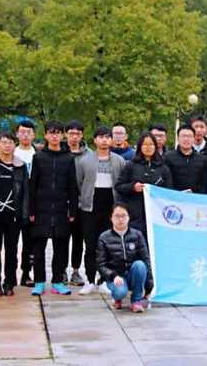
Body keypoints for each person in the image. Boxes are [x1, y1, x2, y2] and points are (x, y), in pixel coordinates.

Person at [29, 120, 79, 296]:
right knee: (38, 248)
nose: (54, 136)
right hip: (41, 209)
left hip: (61, 209)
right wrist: (31, 210)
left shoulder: (69, 158)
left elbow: (72, 186)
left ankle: (58, 281)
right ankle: (39, 282)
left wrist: (73, 210)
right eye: (51, 133)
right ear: (45, 135)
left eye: (57, 133)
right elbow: (32, 185)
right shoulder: (38, 157)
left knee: (61, 248)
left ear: (62, 135)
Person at [76, 125, 126, 295]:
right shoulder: (84, 161)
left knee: (108, 246)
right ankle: (90, 280)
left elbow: (121, 182)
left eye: (107, 137)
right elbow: (79, 183)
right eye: (101, 137)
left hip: (111, 208)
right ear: (95, 140)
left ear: (111, 140)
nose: (104, 140)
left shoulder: (119, 160)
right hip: (90, 207)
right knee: (90, 245)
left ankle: (105, 280)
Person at [0, 132, 28, 296]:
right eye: (3, 142)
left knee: (12, 251)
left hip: (13, 216)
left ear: (14, 145)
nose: (7, 146)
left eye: (10, 142)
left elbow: (25, 192)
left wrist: (24, 214)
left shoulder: (20, 166)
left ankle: (9, 282)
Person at [96, 203, 153, 313]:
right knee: (120, 292)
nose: (120, 219)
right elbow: (101, 265)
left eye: (123, 216)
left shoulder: (137, 235)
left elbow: (146, 260)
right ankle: (117, 298)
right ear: (111, 218)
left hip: (132, 274)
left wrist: (149, 286)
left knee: (140, 265)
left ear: (129, 217)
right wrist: (113, 276)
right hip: (116, 277)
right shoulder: (104, 237)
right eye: (117, 216)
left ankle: (136, 300)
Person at [115, 132, 172, 236]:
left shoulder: (163, 168)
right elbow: (119, 186)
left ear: (155, 146)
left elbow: (169, 192)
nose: (148, 147)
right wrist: (133, 187)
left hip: (156, 215)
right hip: (135, 215)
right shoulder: (131, 165)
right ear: (140, 146)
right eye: (145, 144)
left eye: (151, 144)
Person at [64, 120, 87, 286]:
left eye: (77, 134)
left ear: (82, 135)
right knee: (62, 239)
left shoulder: (89, 155)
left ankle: (76, 270)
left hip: (81, 204)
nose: (74, 137)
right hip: (62, 204)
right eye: (71, 133)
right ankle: (61, 270)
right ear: (66, 134)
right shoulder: (59, 152)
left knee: (78, 240)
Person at [14, 119, 37, 287]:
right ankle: (9, 274)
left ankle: (26, 273)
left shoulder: (38, 155)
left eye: (29, 132)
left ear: (34, 135)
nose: (25, 135)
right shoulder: (11, 153)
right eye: (22, 132)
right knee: (11, 242)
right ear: (17, 134)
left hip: (33, 204)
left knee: (30, 242)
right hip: (14, 203)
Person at [164, 124, 207, 193]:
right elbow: (166, 181)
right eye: (183, 136)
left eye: (189, 136)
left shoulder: (202, 160)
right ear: (178, 138)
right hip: (173, 197)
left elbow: (204, 183)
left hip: (195, 197)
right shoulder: (168, 157)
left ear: (194, 138)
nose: (186, 139)